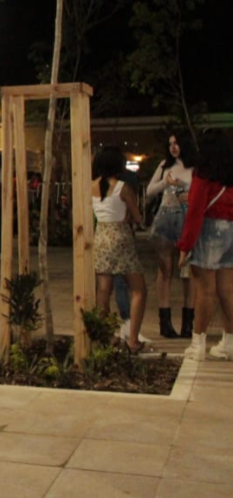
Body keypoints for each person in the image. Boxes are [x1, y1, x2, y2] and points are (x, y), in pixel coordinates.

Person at [178, 132, 233, 361]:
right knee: (227, 290)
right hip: (230, 230)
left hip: (208, 231)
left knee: (204, 291)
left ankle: (198, 343)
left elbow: (195, 213)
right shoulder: (228, 177)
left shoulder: (203, 176)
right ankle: (229, 341)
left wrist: (185, 246)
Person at [90, 146, 150, 354]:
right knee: (138, 289)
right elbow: (137, 216)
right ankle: (132, 339)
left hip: (101, 236)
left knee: (103, 291)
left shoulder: (91, 187)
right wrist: (133, 219)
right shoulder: (122, 187)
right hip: (121, 237)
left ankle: (106, 336)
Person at [147, 131, 195, 338]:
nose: (173, 147)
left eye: (176, 143)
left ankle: (188, 324)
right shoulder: (164, 166)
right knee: (165, 271)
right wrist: (165, 182)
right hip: (165, 220)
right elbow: (150, 191)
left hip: (187, 220)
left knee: (188, 273)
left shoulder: (196, 167)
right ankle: (165, 323)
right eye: (170, 144)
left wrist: (190, 195)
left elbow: (203, 193)